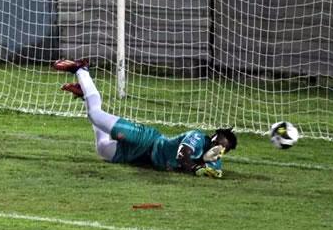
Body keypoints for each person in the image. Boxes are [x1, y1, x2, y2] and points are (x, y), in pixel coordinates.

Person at [54, 59, 237, 177]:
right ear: (213, 136)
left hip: (141, 158)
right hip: (146, 140)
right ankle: (81, 69)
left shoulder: (215, 160)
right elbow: (182, 156)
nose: (217, 147)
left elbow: (215, 173)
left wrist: (208, 166)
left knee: (102, 148)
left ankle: (86, 95)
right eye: (216, 142)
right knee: (95, 115)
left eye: (222, 148)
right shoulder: (197, 137)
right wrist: (198, 166)